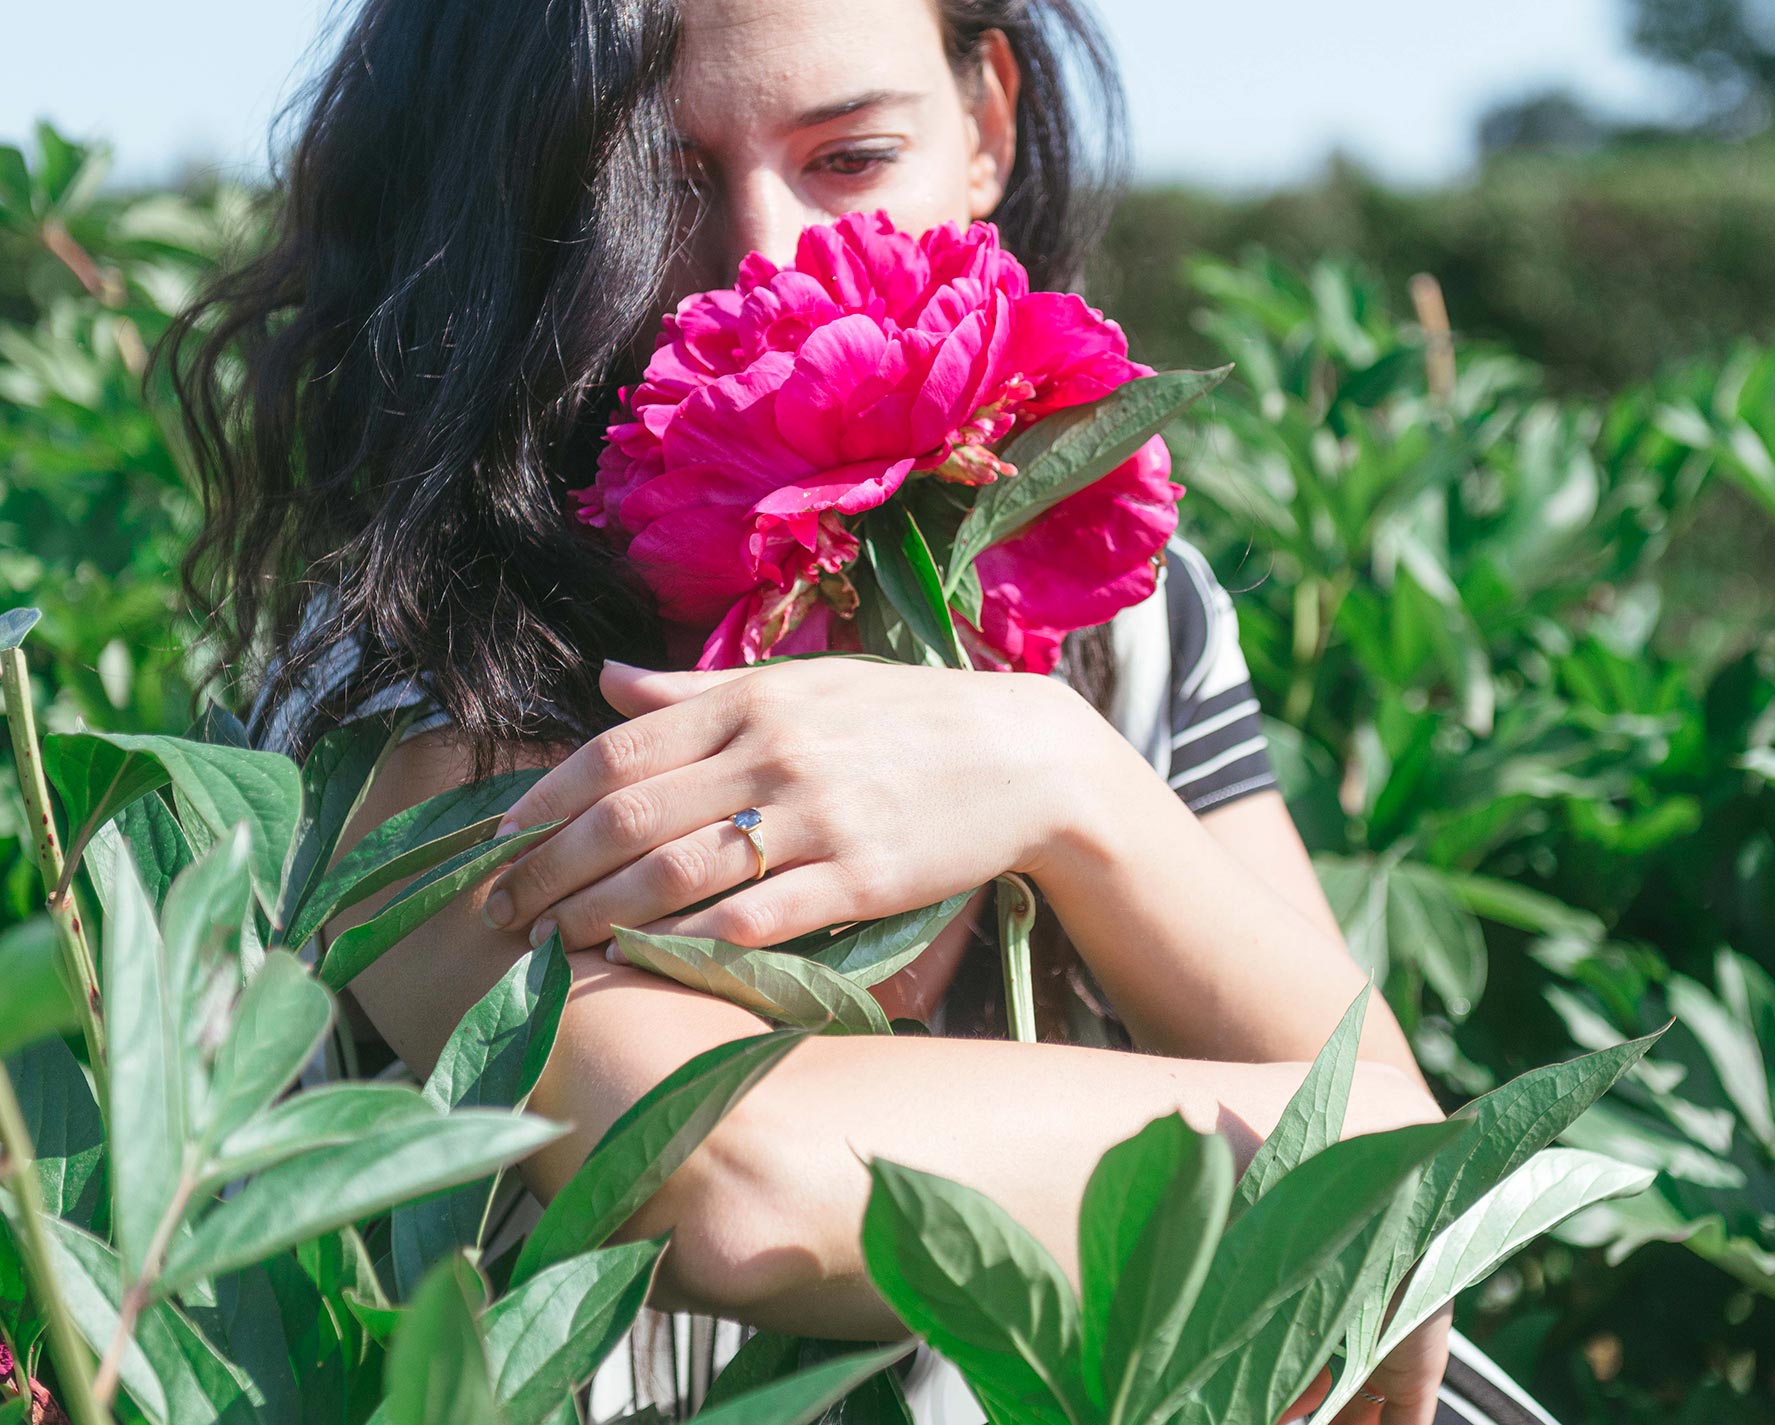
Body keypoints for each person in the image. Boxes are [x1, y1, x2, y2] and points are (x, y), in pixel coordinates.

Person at [167, 1, 1560, 1422]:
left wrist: (1059, 777)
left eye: (851, 157)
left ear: (986, 129)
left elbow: (1415, 1189)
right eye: (654, 191)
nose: (767, 261)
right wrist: (1354, 1154)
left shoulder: (1125, 625)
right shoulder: (398, 689)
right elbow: (731, 1176)